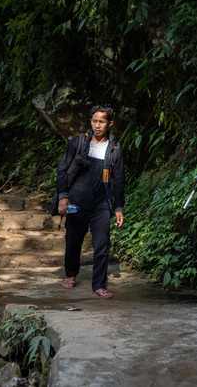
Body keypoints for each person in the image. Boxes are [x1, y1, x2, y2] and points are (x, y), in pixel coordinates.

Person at [55, 106, 125, 298]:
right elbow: (62, 170)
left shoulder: (114, 149)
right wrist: (63, 197)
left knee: (102, 243)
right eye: (94, 121)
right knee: (73, 239)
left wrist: (118, 207)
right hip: (75, 202)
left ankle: (99, 286)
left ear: (109, 124)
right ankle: (70, 274)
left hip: (101, 203)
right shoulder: (78, 142)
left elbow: (118, 181)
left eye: (102, 121)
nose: (97, 125)